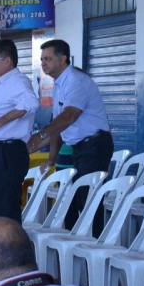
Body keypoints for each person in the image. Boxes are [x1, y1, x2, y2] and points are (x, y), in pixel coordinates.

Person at [28, 39, 113, 230]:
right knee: (70, 199)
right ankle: (71, 249)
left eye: (48, 58)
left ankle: (93, 248)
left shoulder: (76, 81)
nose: (43, 63)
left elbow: (69, 116)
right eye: (42, 59)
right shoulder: (59, 85)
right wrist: (48, 156)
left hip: (94, 145)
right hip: (79, 147)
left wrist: (41, 136)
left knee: (88, 200)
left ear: (63, 59)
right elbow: (58, 126)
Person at [0, 39, 38, 223]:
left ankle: (12, 250)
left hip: (7, 152)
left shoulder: (17, 81)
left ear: (8, 61)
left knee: (6, 210)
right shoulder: (1, 85)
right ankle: (0, 249)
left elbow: (31, 103)